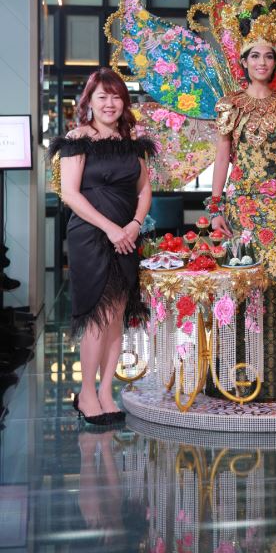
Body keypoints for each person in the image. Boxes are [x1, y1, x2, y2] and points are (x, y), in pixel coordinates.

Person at [50, 68, 155, 425]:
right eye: (102, 97)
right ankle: (86, 393)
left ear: (124, 102)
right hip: (91, 236)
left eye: (116, 96)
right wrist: (112, 229)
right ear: (89, 102)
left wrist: (134, 225)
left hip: (127, 235)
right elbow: (69, 194)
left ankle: (106, 391)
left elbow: (144, 191)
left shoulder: (133, 144)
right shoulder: (77, 139)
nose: (109, 103)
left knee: (117, 317)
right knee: (98, 316)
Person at [207, 24, 276, 401]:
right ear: (243, 62)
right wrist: (216, 205)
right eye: (254, 55)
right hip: (240, 208)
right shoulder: (230, 105)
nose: (261, 62)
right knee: (239, 285)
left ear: (275, 62)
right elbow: (222, 157)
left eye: (268, 55)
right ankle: (235, 379)